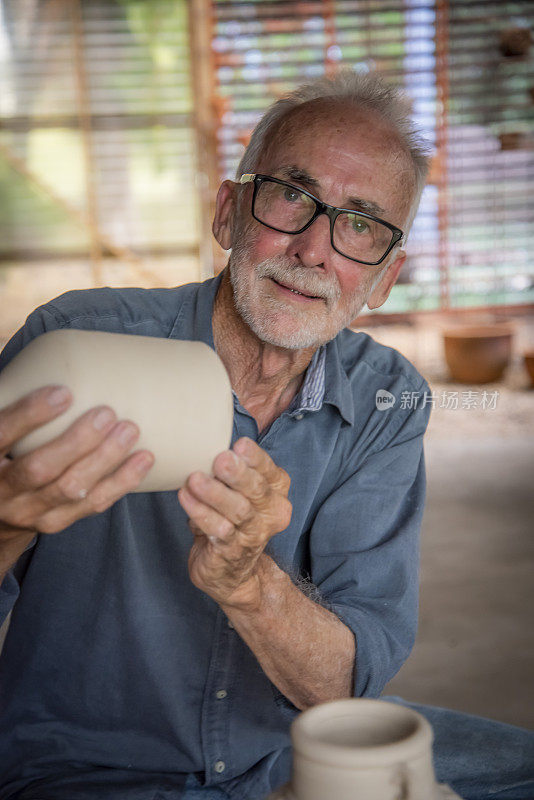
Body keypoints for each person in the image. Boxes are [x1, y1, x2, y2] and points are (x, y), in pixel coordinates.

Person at [0, 71, 532, 800]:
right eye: (291, 195)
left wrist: (249, 584)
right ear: (228, 212)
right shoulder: (77, 339)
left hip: (294, 753)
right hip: (88, 767)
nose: (315, 249)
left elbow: (343, 687)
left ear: (383, 280)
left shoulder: (387, 398)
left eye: (362, 224)